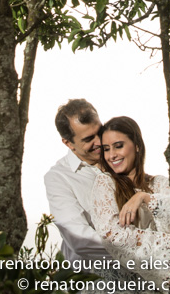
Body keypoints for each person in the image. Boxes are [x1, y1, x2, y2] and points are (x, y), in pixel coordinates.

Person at [92, 116, 170, 289]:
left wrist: (144, 198)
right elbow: (113, 236)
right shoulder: (105, 183)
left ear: (137, 146)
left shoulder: (160, 183)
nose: (112, 155)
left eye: (119, 146)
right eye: (106, 149)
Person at [43, 98, 118, 279]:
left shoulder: (119, 157)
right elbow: (80, 239)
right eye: (88, 139)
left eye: (99, 132)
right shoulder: (58, 178)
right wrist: (140, 255)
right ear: (68, 143)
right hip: (91, 280)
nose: (99, 141)